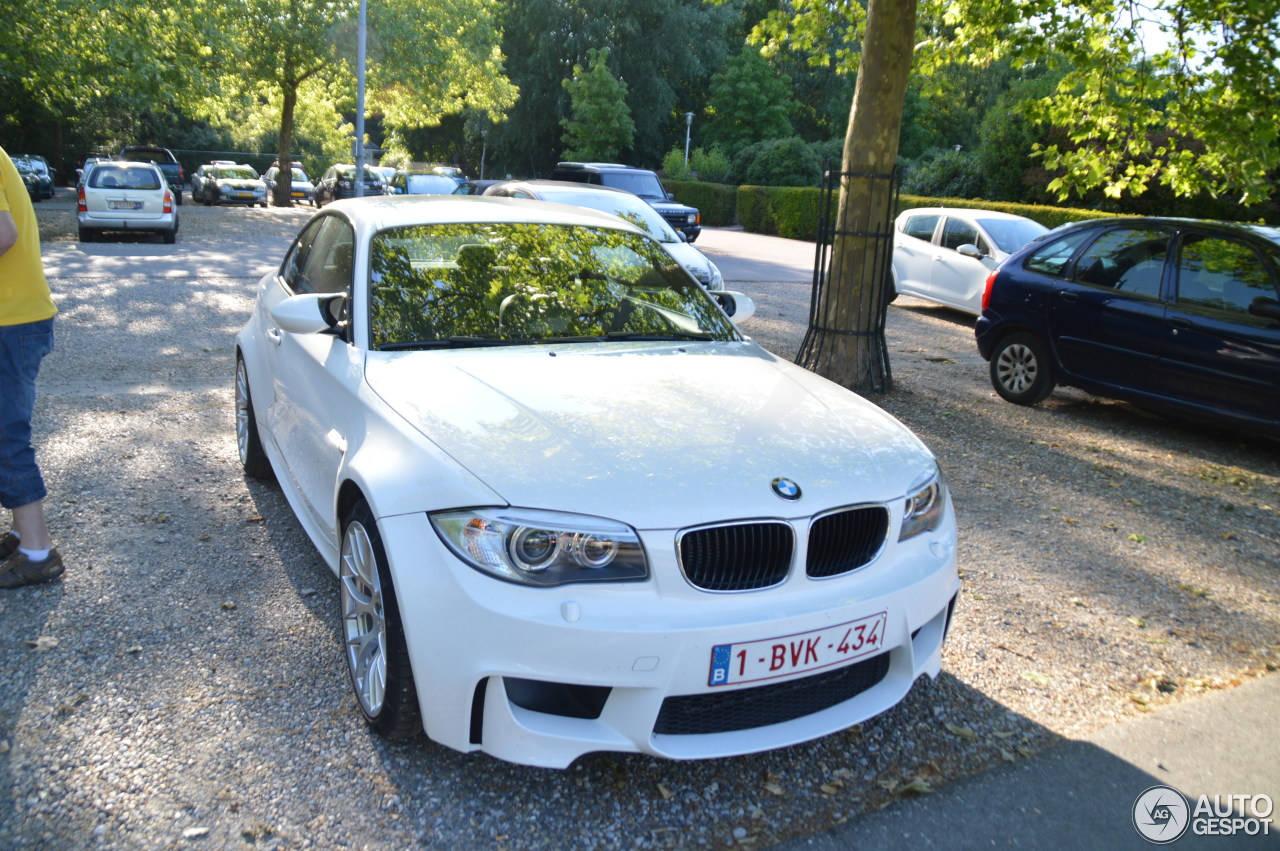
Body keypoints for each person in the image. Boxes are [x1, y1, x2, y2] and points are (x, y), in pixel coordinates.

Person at [0, 145, 62, 588]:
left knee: (6, 434)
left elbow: (3, 235)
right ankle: (22, 535)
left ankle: (37, 554)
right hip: (16, 317)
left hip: (9, 319)